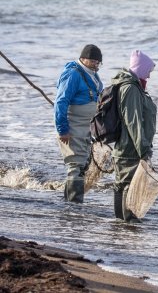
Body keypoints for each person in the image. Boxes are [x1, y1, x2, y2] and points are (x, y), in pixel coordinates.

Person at [111, 50, 157, 223]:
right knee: (128, 184)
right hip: (129, 148)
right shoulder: (130, 88)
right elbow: (133, 122)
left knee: (122, 184)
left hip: (127, 146)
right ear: (140, 68)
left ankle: (120, 223)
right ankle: (127, 223)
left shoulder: (133, 86)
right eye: (148, 71)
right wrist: (143, 149)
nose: (149, 76)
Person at [54, 44, 103, 203]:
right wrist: (63, 130)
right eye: (93, 61)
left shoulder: (93, 75)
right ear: (83, 59)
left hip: (86, 127)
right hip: (73, 126)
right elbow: (61, 102)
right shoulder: (73, 74)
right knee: (75, 166)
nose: (96, 65)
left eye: (98, 62)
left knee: (82, 166)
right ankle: (73, 208)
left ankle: (70, 204)